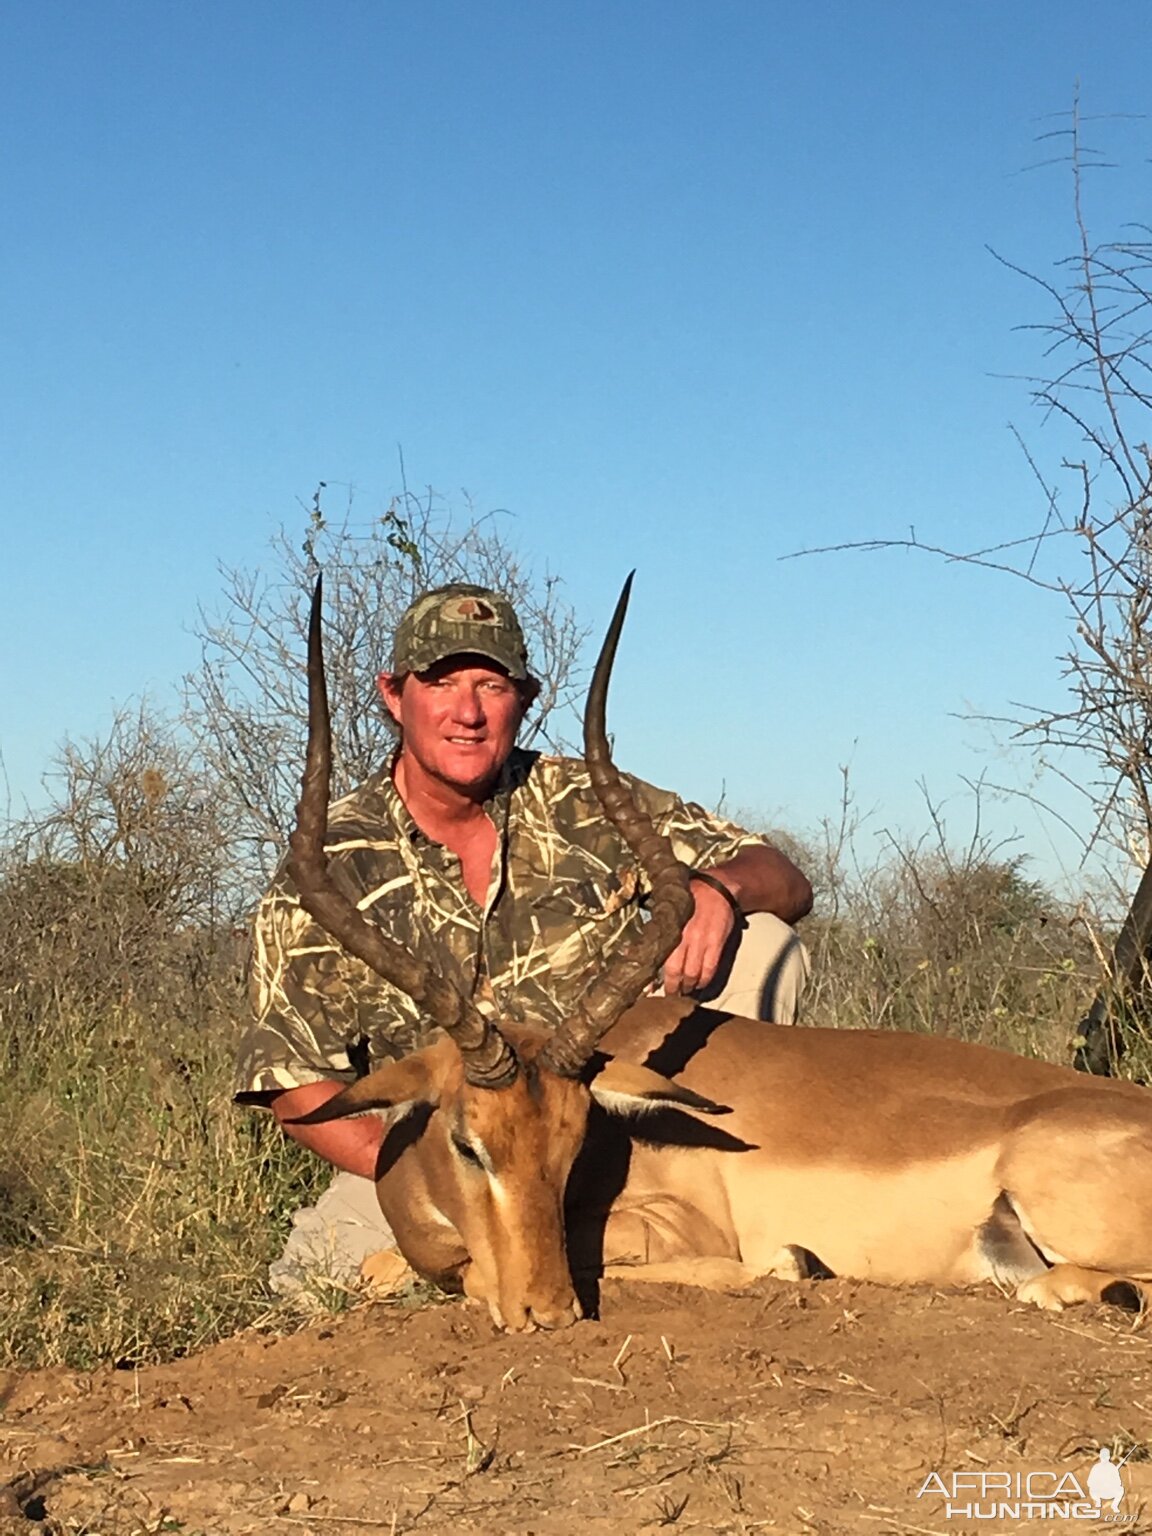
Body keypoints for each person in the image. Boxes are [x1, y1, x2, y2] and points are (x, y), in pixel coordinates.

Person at [234, 583, 813, 1299]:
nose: (468, 712)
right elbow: (290, 1087)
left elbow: (781, 876)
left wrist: (718, 890)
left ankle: (723, 1190)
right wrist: (466, 1178)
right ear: (393, 694)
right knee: (309, 1287)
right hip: (450, 1158)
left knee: (760, 937)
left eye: (491, 685)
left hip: (615, 1141)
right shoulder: (329, 864)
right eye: (441, 683)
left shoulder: (583, 800)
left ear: (527, 699)